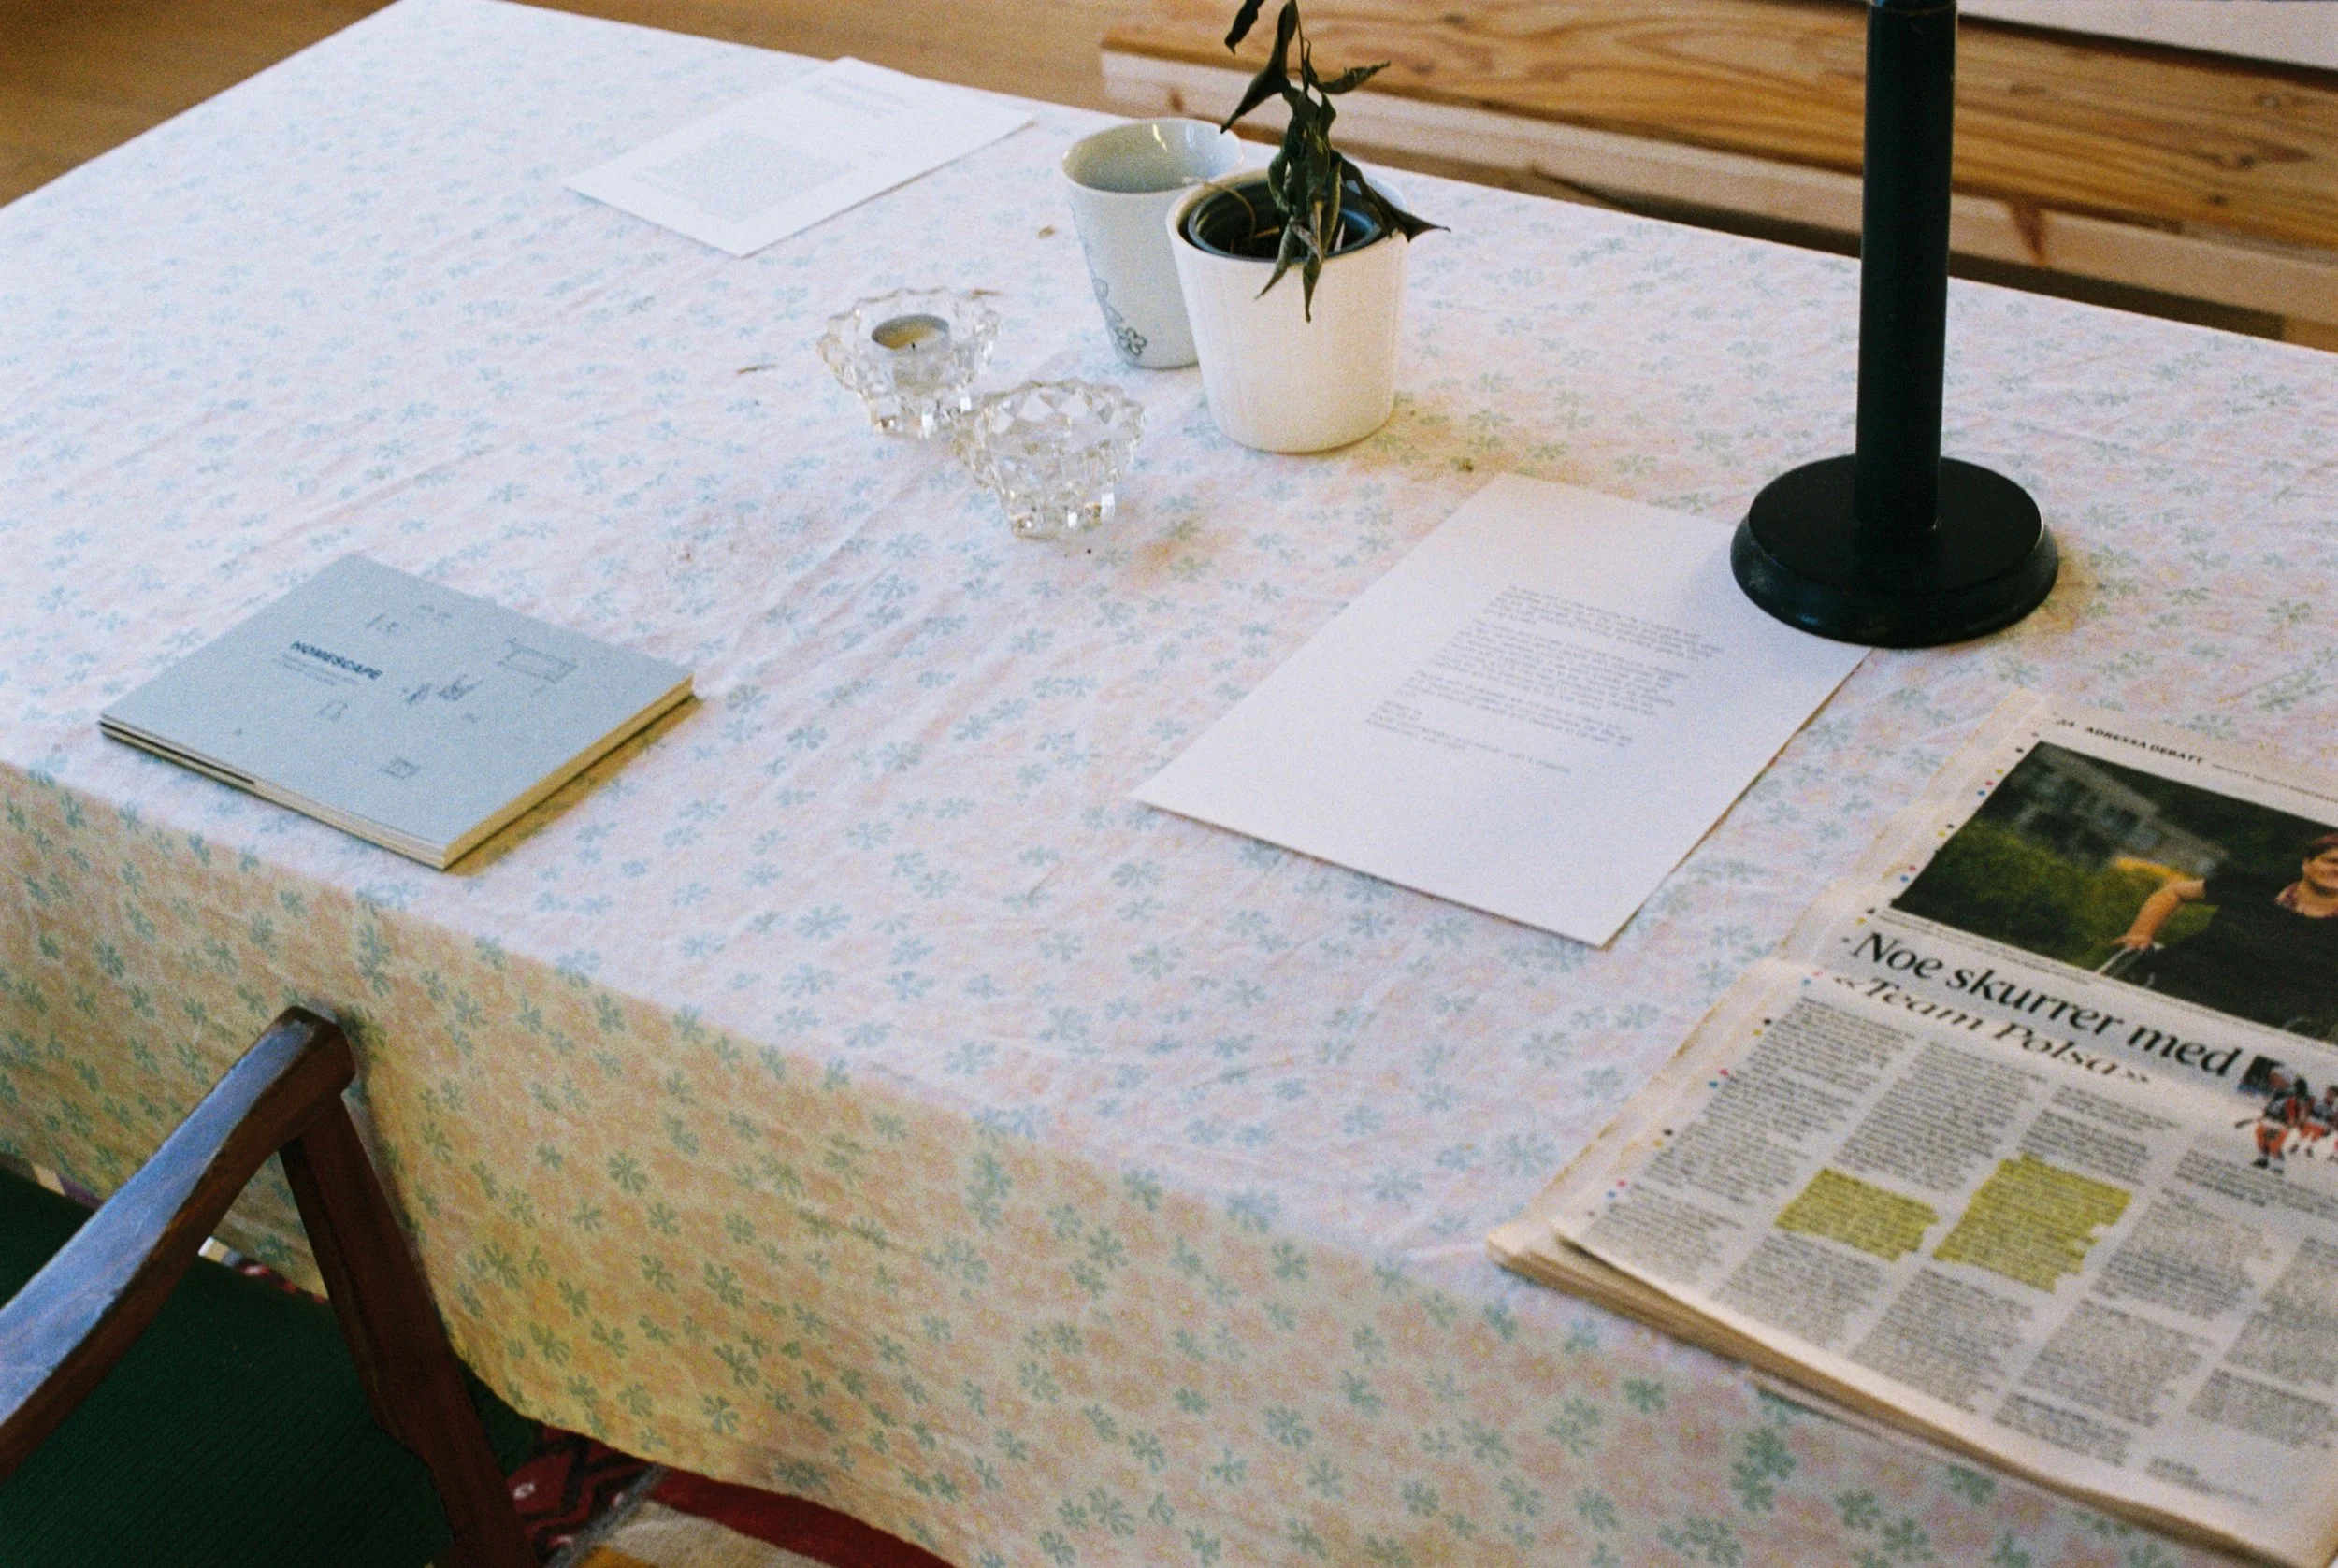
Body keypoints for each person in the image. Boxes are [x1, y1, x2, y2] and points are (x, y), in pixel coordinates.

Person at [2114, 834, 2338, 1035]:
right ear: (2306, 862)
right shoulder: (2257, 886)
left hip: (2258, 1028)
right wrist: (2140, 934)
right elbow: (2174, 893)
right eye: (2332, 861)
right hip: (2175, 987)